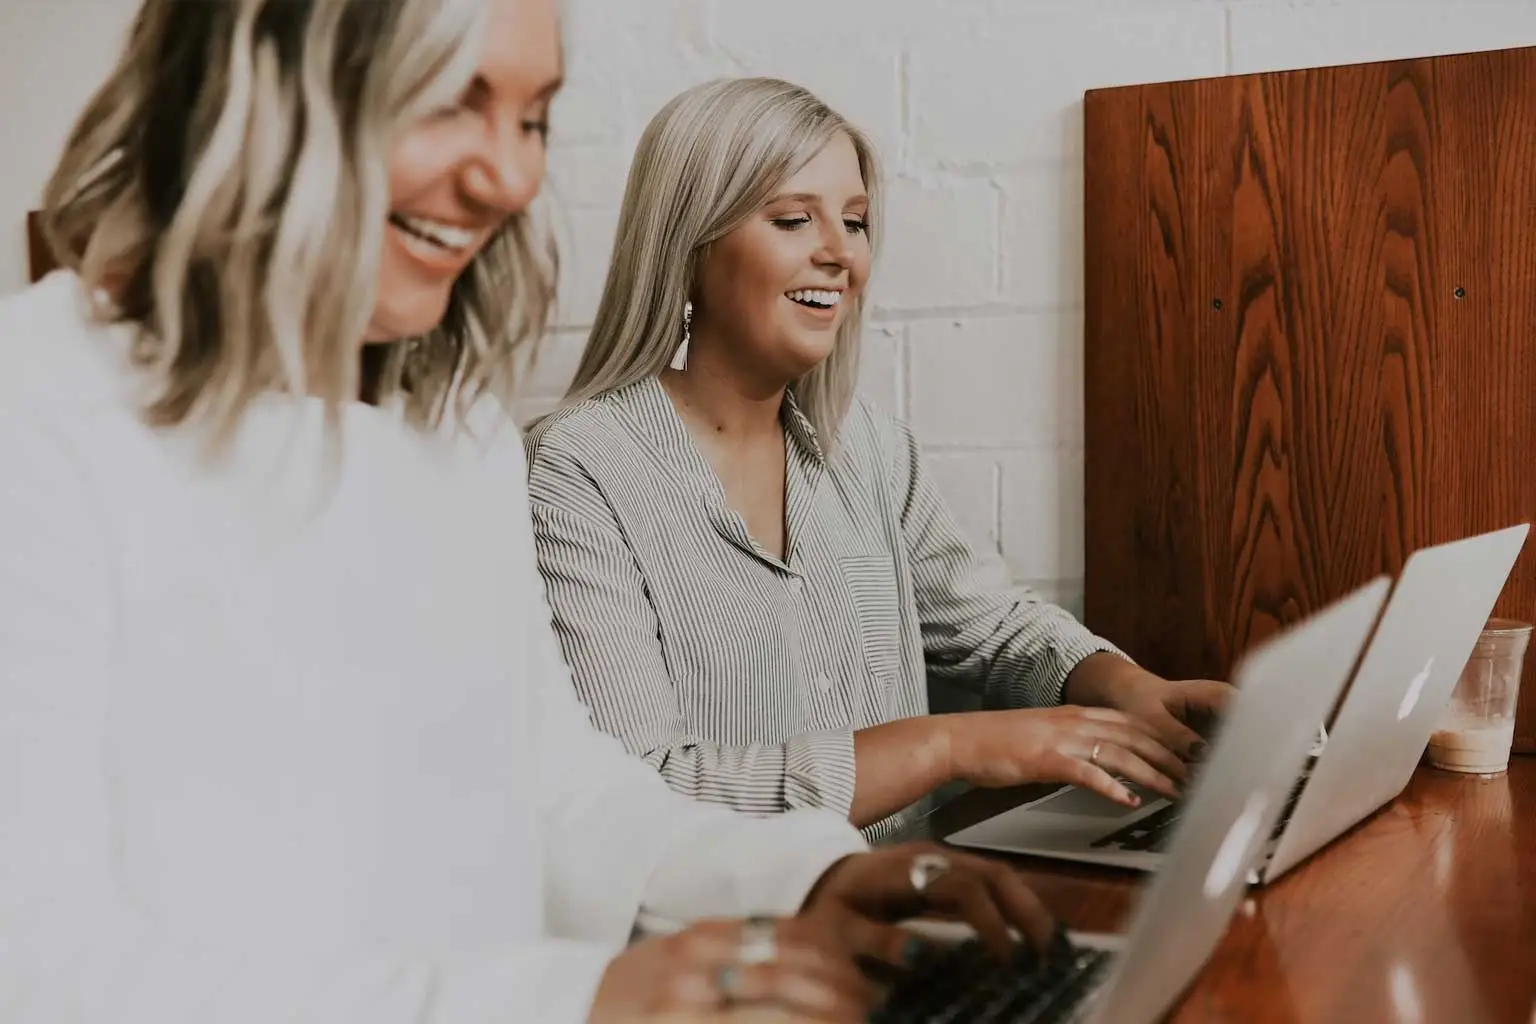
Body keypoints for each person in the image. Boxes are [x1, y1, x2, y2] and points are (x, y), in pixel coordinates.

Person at [0, 5, 1058, 1022]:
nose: (509, 177)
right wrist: (574, 1002)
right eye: (448, 101)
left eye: (533, 118)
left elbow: (560, 788)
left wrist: (809, 874)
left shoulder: (455, 431)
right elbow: (35, 976)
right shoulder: (38, 415)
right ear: (260, 82)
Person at [525, 77, 1233, 837]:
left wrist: (1129, 688)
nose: (840, 253)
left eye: (855, 222)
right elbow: (642, 794)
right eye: (793, 219)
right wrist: (948, 746)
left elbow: (992, 627)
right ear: (688, 246)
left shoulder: (867, 448)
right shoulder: (576, 470)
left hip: (911, 893)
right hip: (738, 912)